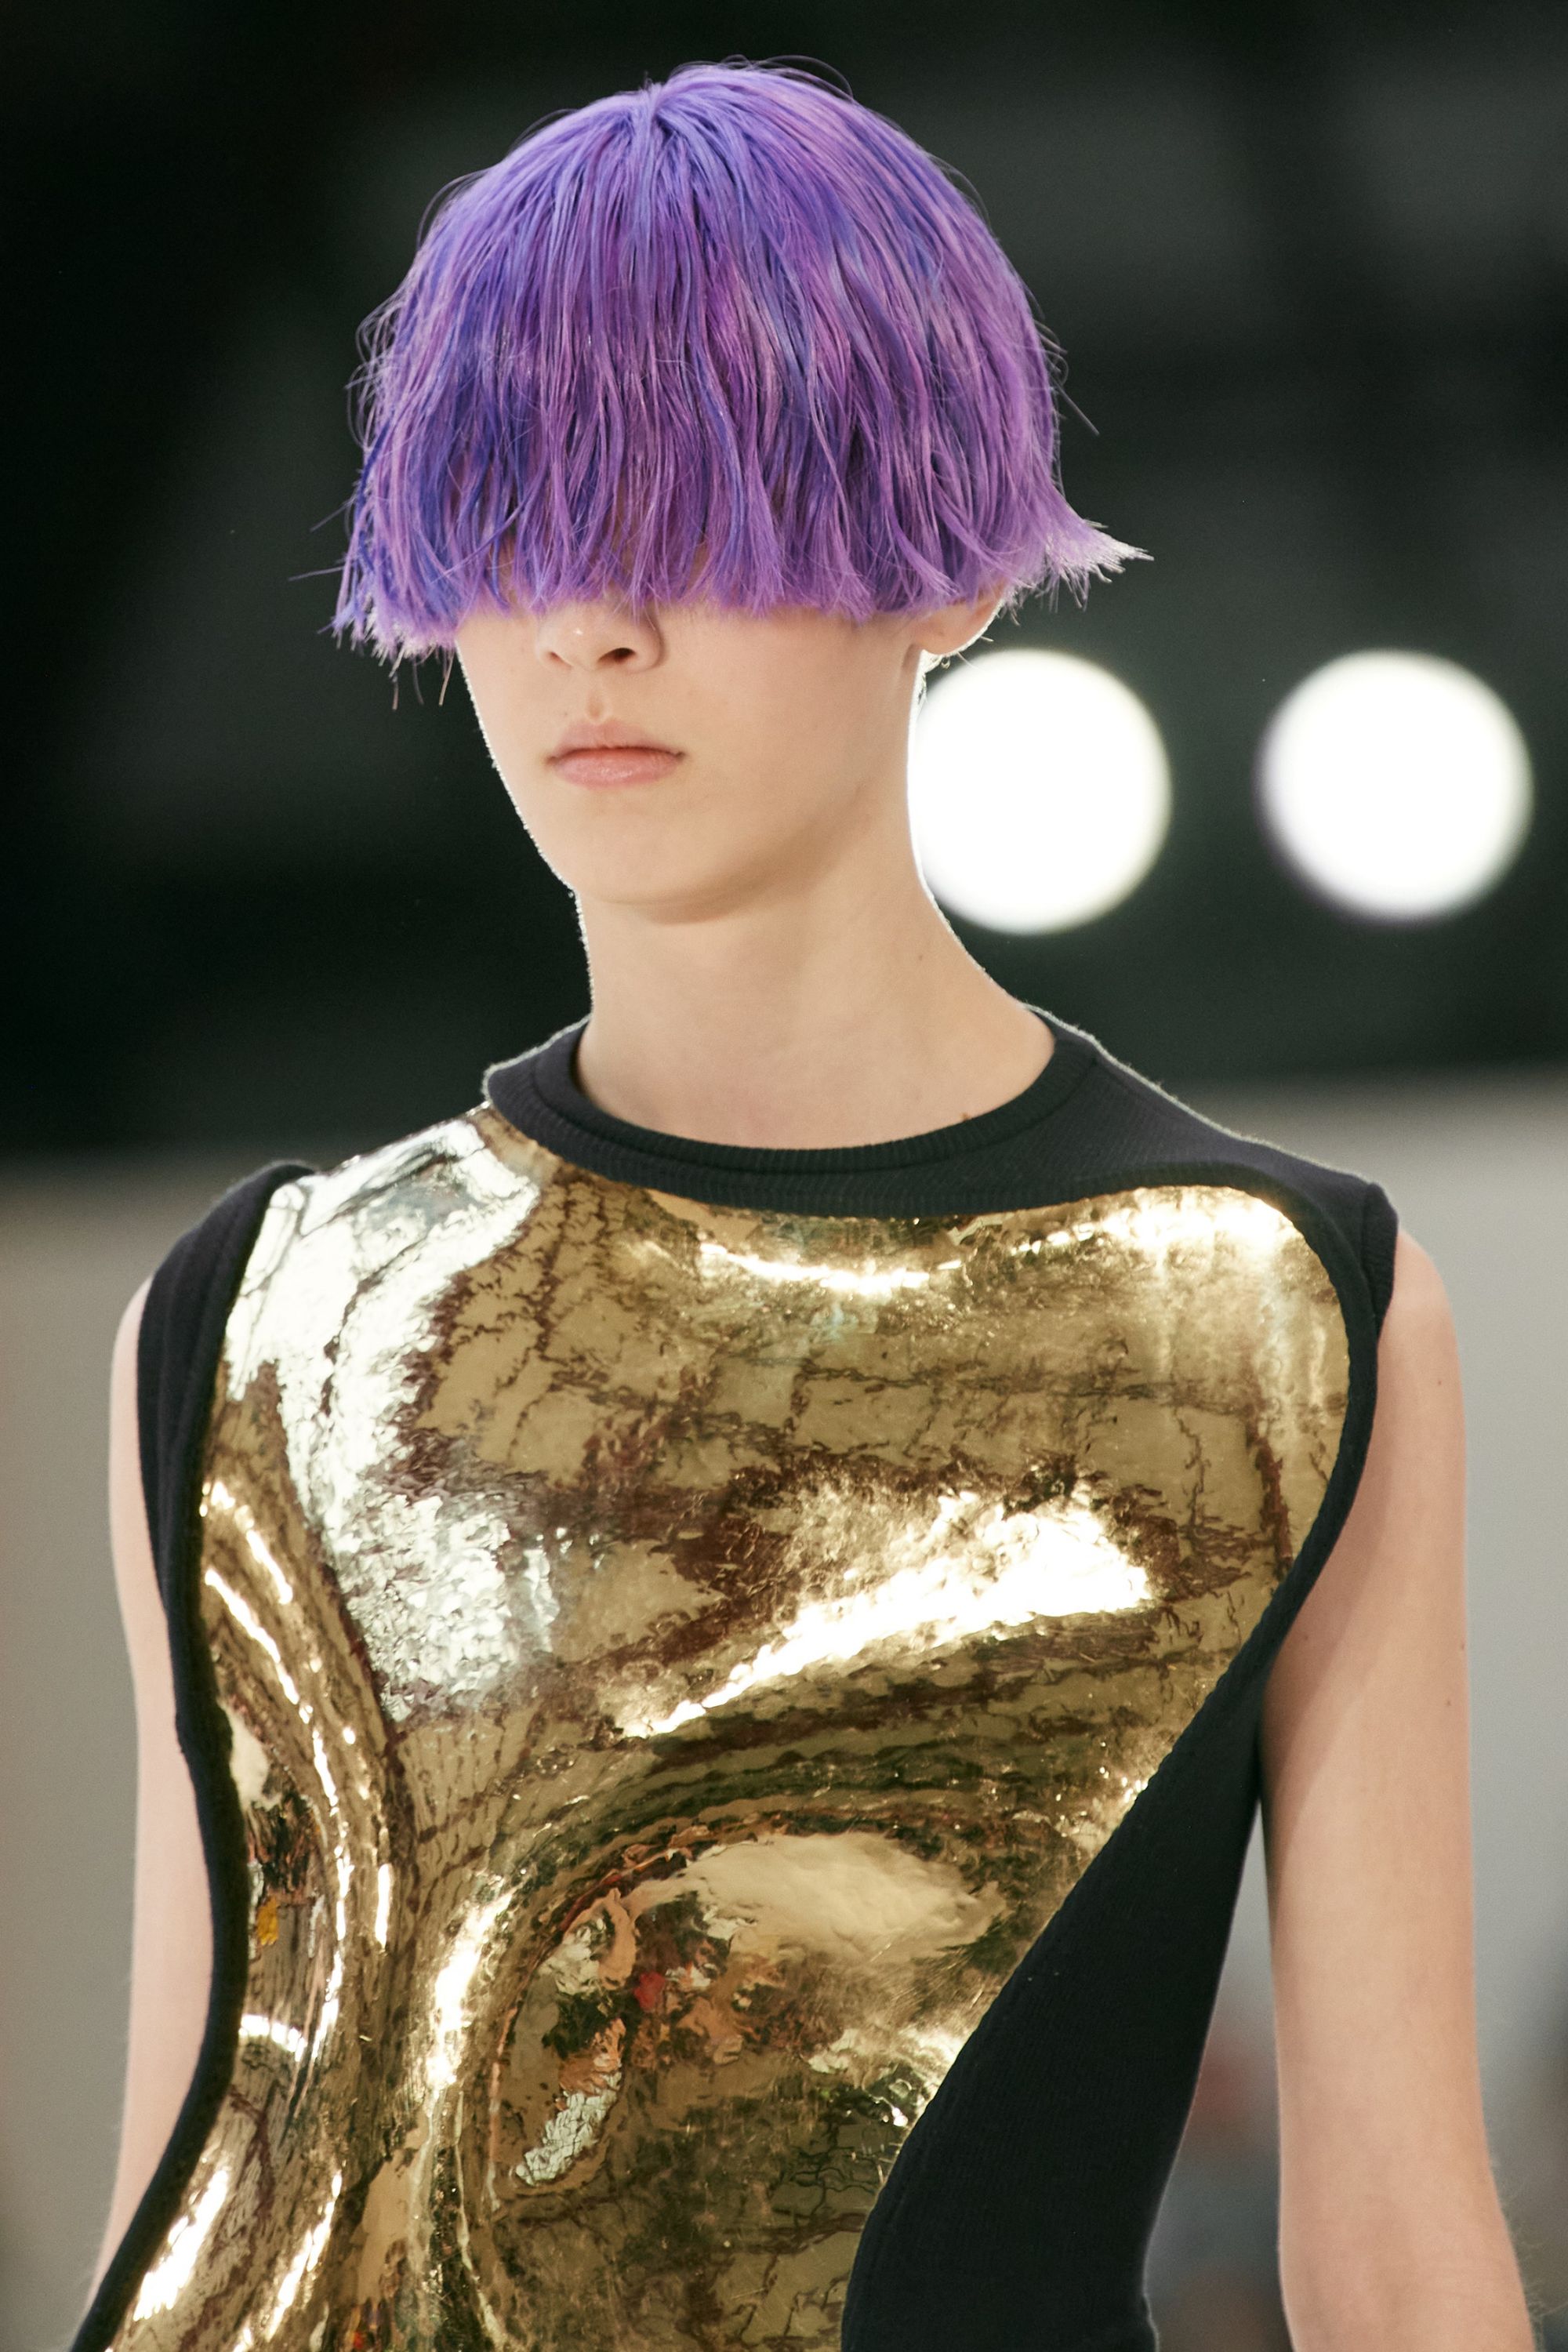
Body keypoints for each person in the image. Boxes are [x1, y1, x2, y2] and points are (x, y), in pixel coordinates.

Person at [74, 56, 1534, 2352]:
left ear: (949, 563)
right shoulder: (265, 1317)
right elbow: (199, 2181)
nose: (589, 624)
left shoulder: (1267, 1314)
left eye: (693, 516)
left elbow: (1392, 2251)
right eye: (515, 523)